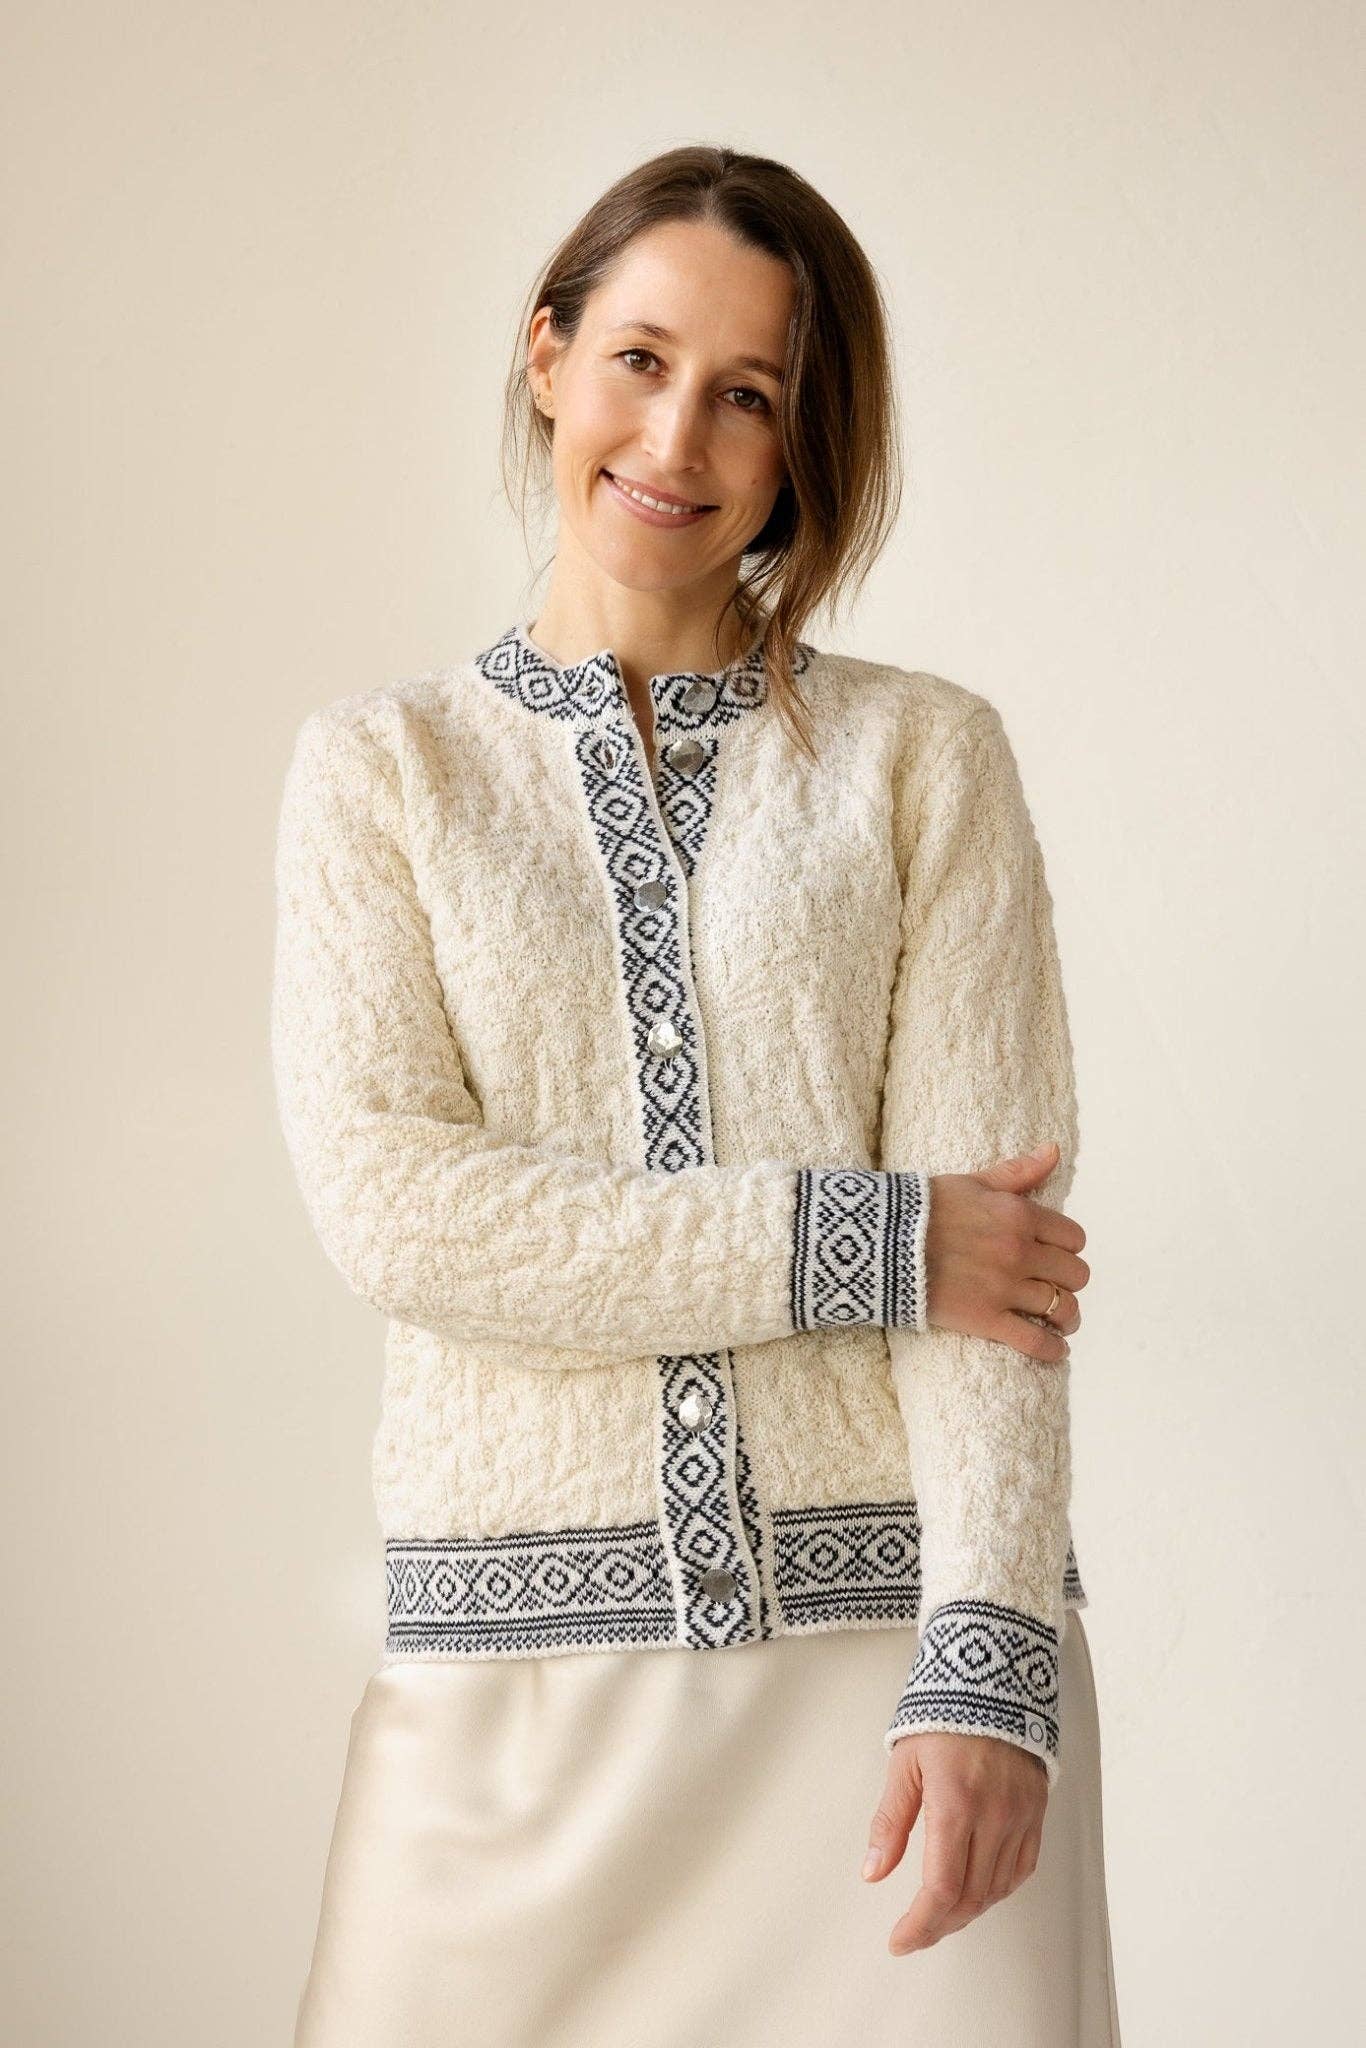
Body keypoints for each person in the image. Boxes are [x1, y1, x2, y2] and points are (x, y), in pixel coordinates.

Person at [274, 144, 1122, 2046]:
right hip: (511, 1702)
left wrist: (988, 1665)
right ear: (546, 355)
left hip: (891, 1684)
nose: (679, 436)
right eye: (641, 360)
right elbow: (403, 1212)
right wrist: (868, 1241)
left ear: (805, 441)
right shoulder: (382, 773)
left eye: (749, 394)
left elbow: (1007, 1271)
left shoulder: (923, 761)